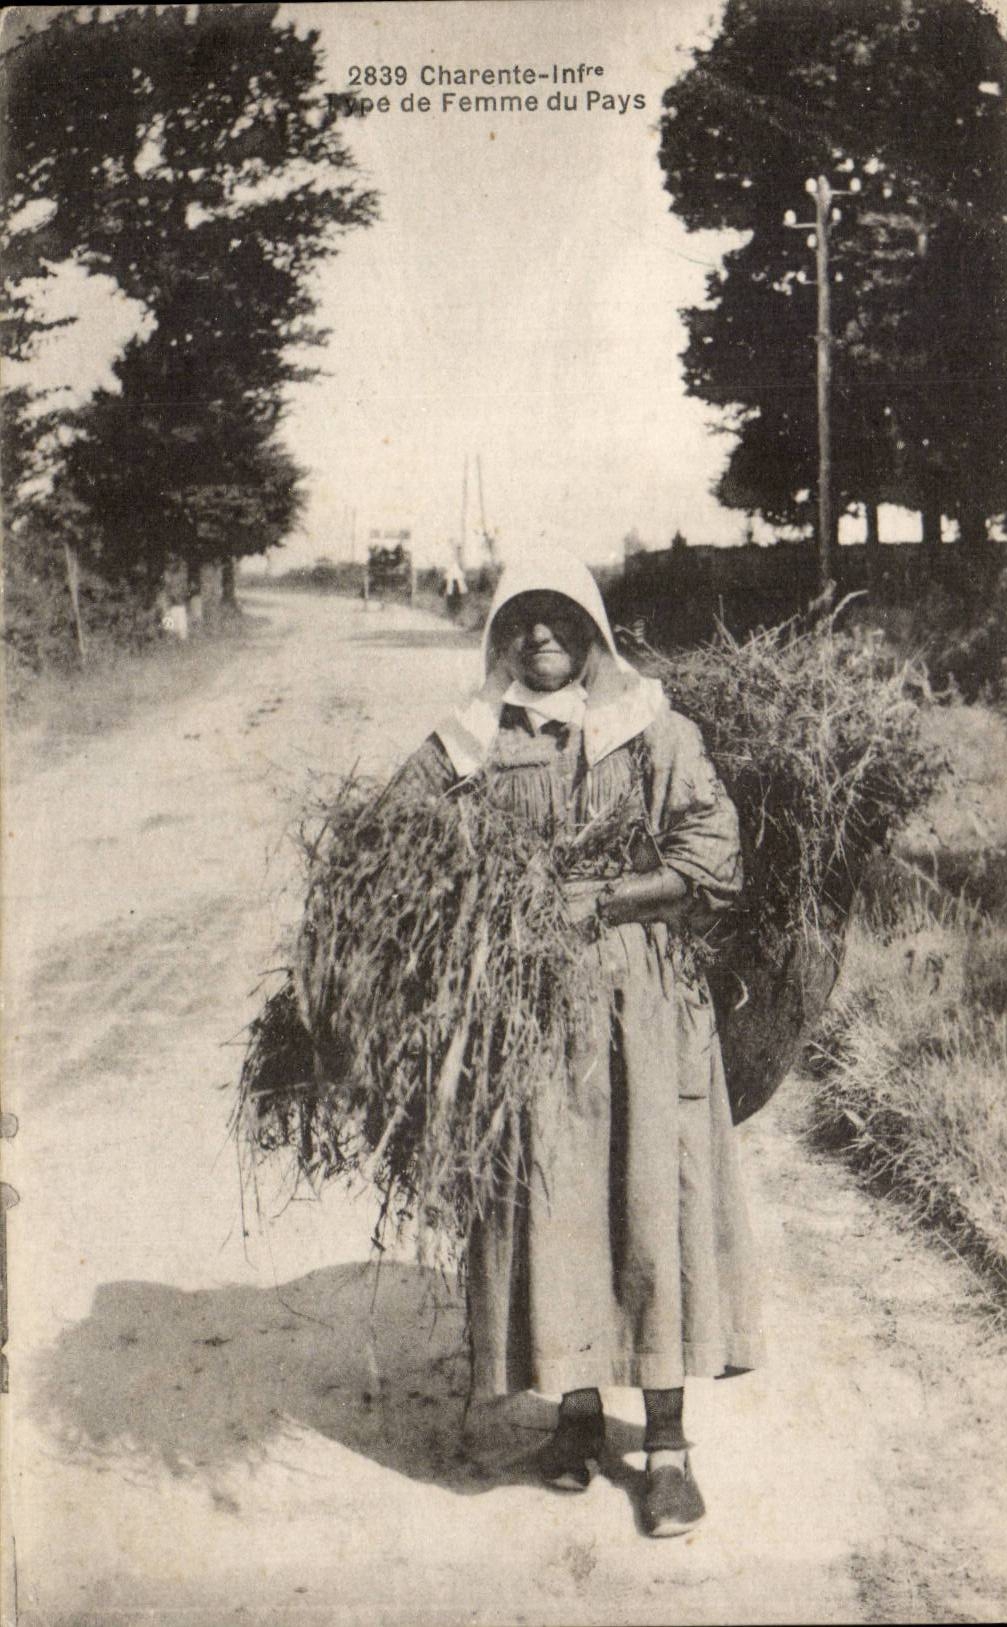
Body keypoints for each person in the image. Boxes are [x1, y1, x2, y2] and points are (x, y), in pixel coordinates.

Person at [393, 549, 763, 1538]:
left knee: (648, 1202)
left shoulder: (652, 726)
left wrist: (598, 897)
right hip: (532, 1010)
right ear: (501, 632)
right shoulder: (485, 730)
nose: (543, 635)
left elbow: (712, 859)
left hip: (639, 999)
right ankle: (577, 1417)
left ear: (594, 630)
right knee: (552, 1204)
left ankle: (671, 1448)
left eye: (562, 617)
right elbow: (399, 815)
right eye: (525, 619)